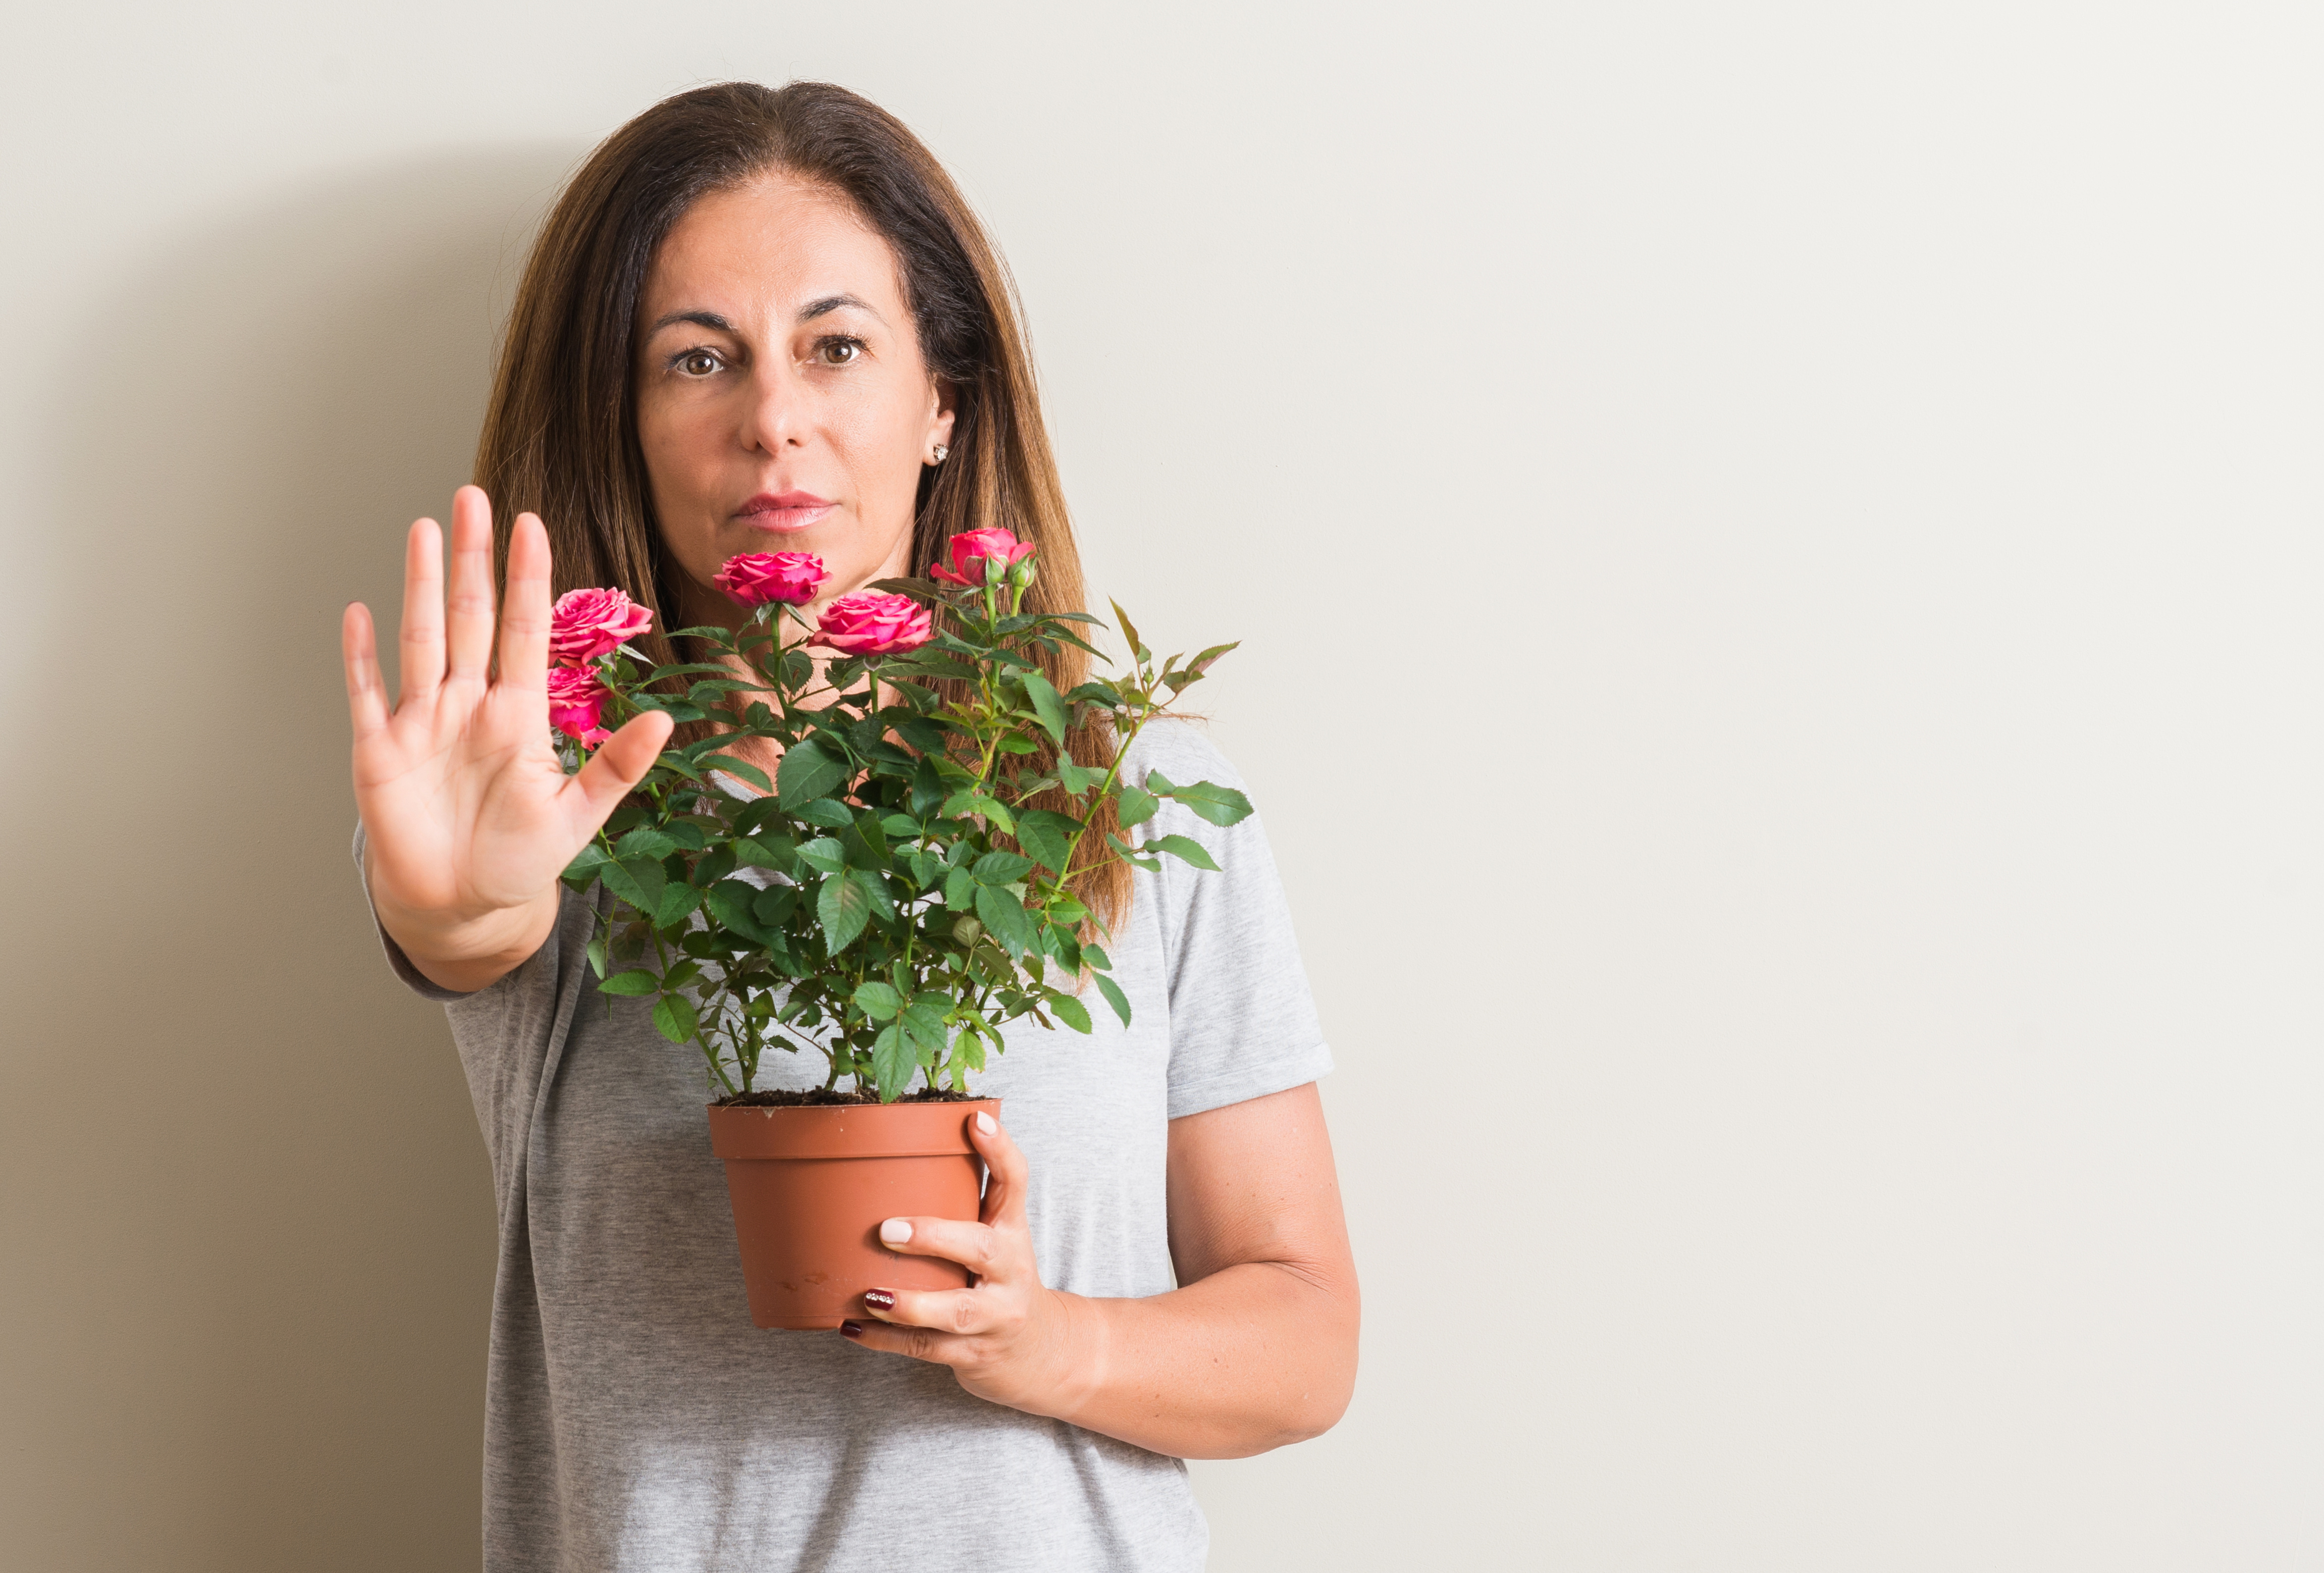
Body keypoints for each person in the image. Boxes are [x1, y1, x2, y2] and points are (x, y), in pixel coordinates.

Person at [339, 80, 1356, 1572]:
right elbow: (469, 919)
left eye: (836, 346)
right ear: (621, 419)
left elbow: (1301, 1330)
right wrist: (455, 904)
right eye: (697, 358)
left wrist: (1042, 1341)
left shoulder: (1123, 799)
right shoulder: (543, 807)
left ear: (941, 396)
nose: (774, 422)